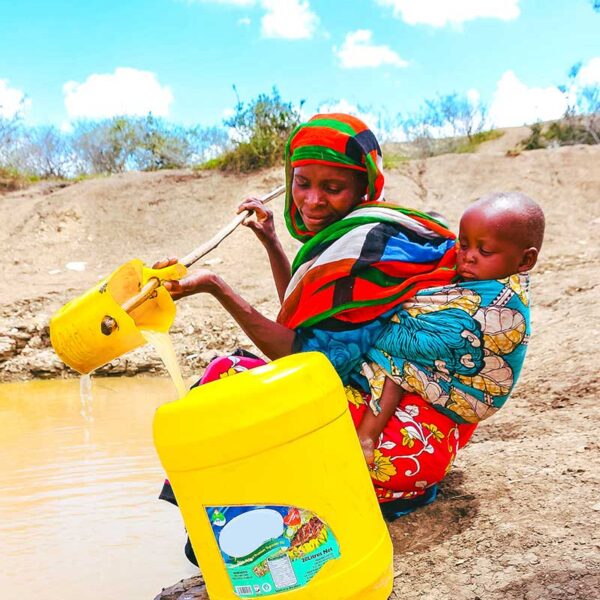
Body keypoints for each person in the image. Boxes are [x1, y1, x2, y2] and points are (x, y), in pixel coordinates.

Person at [156, 113, 481, 523]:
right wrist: (273, 242)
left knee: (227, 375)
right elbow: (309, 316)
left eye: (332, 187)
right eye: (302, 182)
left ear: (364, 188)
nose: (312, 200)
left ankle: (219, 527)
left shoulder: (374, 252)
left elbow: (306, 358)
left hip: (393, 449)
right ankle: (209, 526)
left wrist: (217, 287)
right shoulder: (364, 238)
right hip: (413, 440)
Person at [357, 191, 545, 463]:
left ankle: (367, 434)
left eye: (485, 251)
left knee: (399, 352)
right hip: (432, 384)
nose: (468, 257)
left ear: (525, 261)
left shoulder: (501, 303)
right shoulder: (467, 278)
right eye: (464, 245)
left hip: (467, 389)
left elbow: (419, 330)